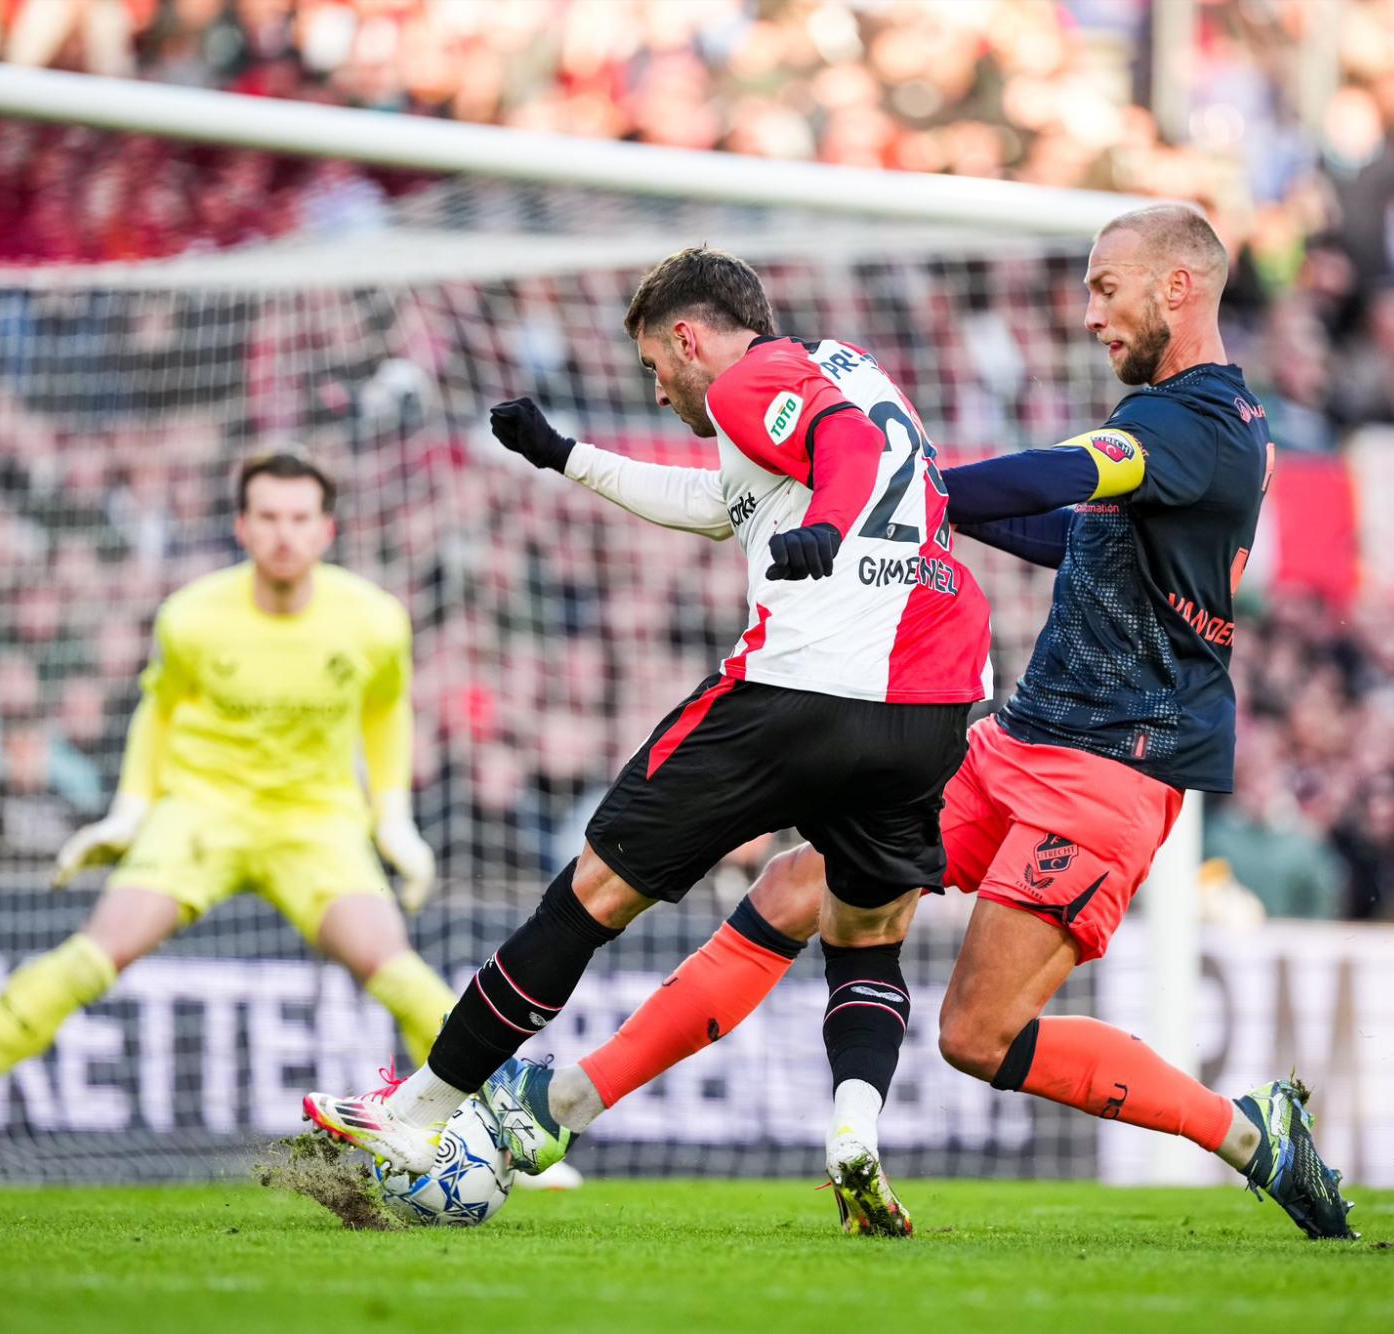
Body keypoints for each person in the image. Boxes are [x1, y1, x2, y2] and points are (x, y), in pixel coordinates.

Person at [482, 206, 1356, 1241]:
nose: (1088, 315)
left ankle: (1249, 1133)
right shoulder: (1183, 434)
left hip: (1107, 774)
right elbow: (1058, 531)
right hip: (1015, 741)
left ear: (1176, 288)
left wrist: (909, 488)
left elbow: (1058, 474)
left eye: (1104, 287)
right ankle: (563, 1105)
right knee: (797, 883)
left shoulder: (1192, 425)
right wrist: (920, 500)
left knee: (978, 1034)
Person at [304, 245, 994, 1236]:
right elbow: (724, 508)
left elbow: (837, 451)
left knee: (591, 890)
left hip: (802, 684)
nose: (660, 387)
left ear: (687, 335)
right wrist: (564, 455)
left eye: (652, 365)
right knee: (864, 929)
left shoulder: (755, 376)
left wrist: (831, 532)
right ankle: (852, 1131)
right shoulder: (848, 370)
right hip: (928, 705)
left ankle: (418, 1113)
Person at [0, 451, 455, 1182]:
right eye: (268, 517)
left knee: (401, 975)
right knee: (90, 958)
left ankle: (480, 1138)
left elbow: (387, 712)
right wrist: (129, 813)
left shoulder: (374, 621)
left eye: (299, 518)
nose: (284, 534)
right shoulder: (192, 616)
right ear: (242, 527)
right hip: (201, 810)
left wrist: (393, 819)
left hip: (315, 821)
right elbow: (158, 714)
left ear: (326, 529)